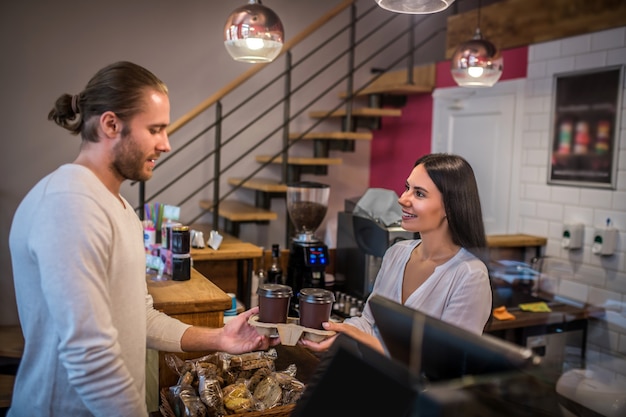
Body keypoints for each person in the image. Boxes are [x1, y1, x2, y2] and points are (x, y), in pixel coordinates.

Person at [8, 61, 277, 417]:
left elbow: (140, 317)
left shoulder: (118, 208)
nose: (166, 144)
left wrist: (219, 338)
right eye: (155, 129)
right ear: (110, 124)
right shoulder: (69, 206)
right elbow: (89, 356)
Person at [300, 153, 492, 353]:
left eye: (419, 193)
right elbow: (368, 322)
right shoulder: (397, 254)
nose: (402, 199)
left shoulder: (470, 275)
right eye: (407, 188)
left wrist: (360, 338)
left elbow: (445, 363)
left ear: (450, 207)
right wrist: (334, 331)